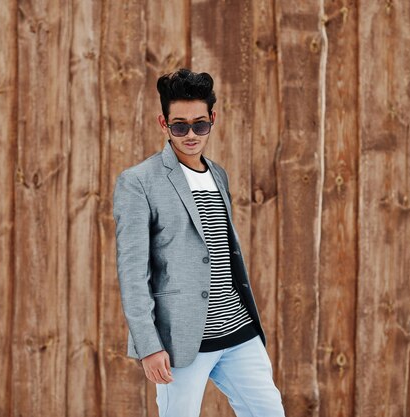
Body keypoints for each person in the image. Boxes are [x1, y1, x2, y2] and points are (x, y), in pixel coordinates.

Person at [113, 68, 285, 417]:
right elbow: (132, 274)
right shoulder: (139, 182)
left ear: (212, 119)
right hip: (182, 342)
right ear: (164, 123)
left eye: (199, 124)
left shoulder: (218, 173)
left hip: (239, 332)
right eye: (180, 126)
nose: (191, 134)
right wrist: (149, 346)